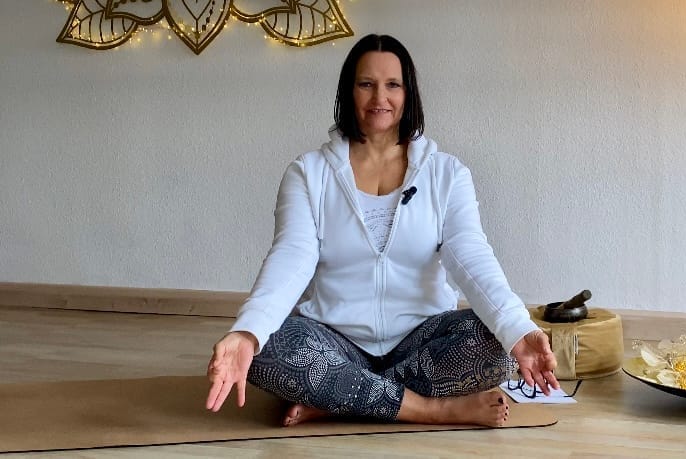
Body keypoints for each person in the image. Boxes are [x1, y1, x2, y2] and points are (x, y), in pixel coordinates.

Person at [205, 34, 559, 428]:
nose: (380, 98)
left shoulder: (448, 174)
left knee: (500, 346)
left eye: (393, 85)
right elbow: (291, 257)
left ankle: (338, 399)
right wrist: (248, 332)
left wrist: (518, 329)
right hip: (336, 340)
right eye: (366, 84)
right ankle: (431, 409)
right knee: (265, 346)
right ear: (348, 91)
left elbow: (471, 257)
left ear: (409, 93)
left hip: (421, 340)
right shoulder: (308, 173)